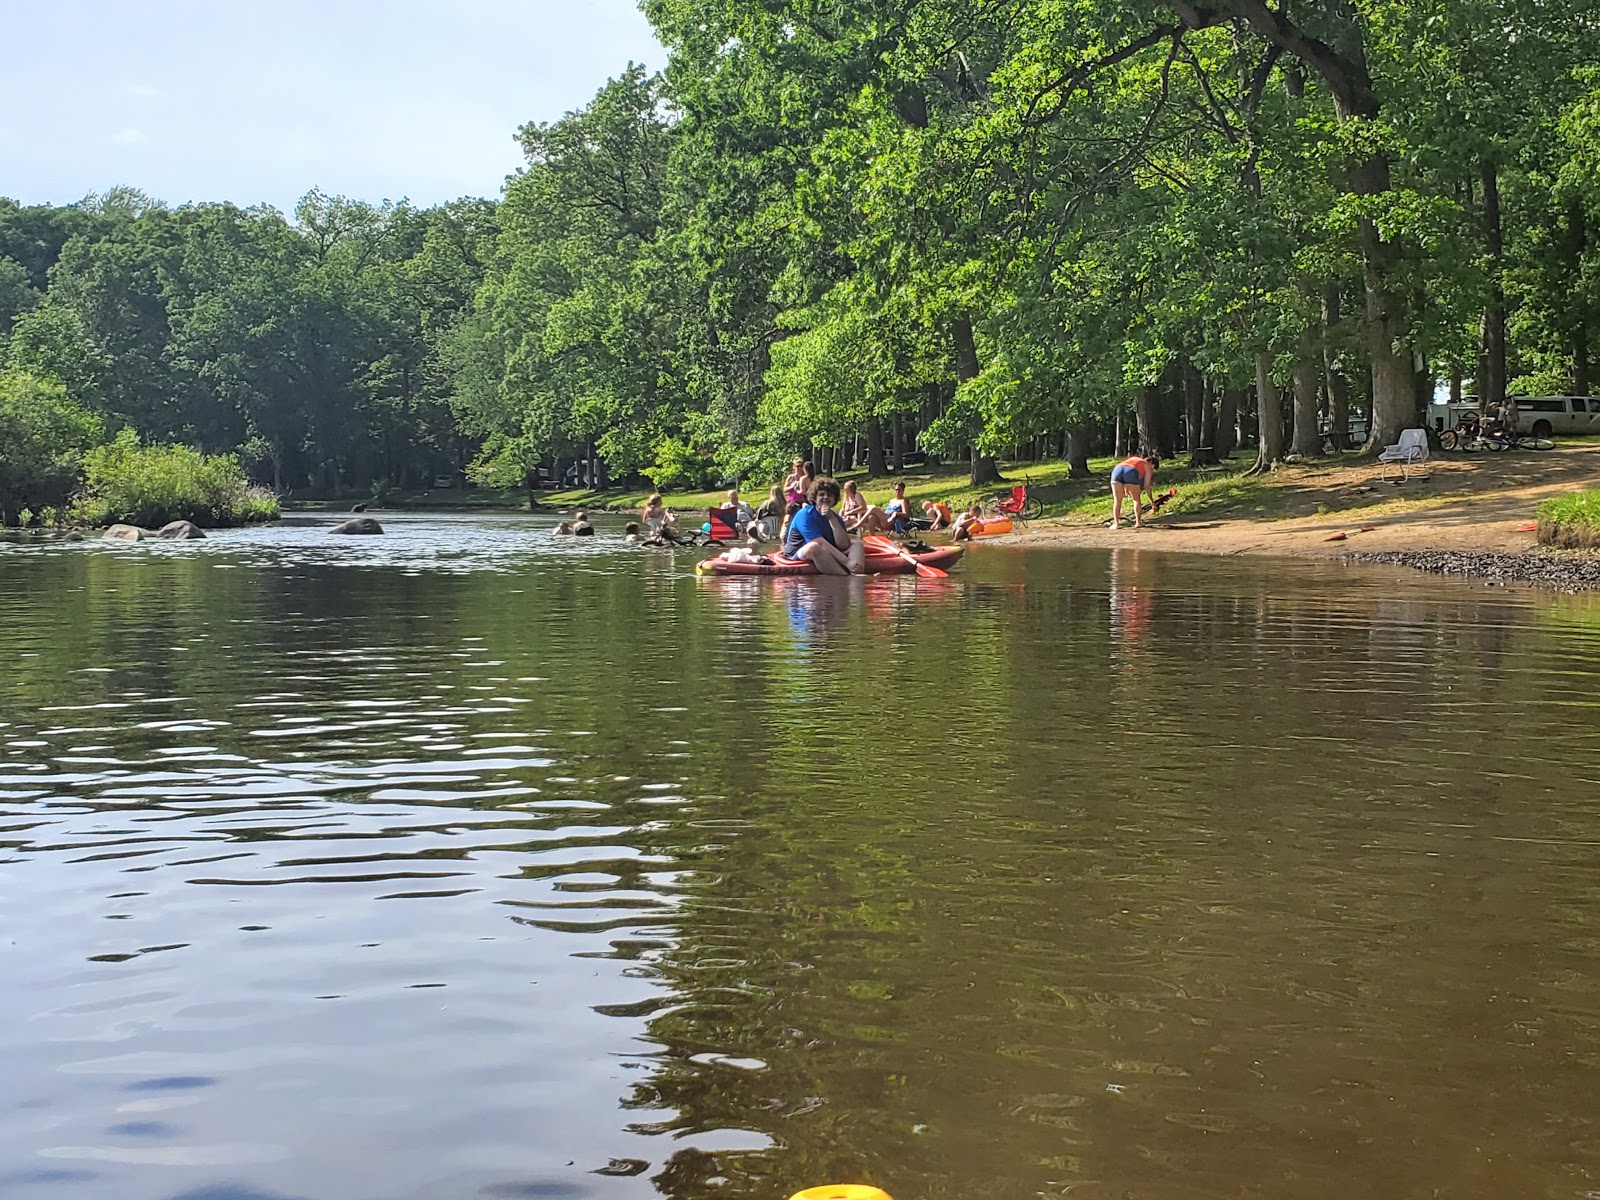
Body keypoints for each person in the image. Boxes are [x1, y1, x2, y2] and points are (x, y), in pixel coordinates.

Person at [782, 477, 864, 575]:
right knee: (814, 547)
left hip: (826, 550)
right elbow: (819, 542)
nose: (825, 497)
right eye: (821, 495)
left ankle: (857, 574)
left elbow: (844, 545)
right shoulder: (805, 515)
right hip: (797, 553)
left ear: (834, 499)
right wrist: (847, 562)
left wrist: (831, 518)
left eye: (829, 495)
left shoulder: (835, 517)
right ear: (815, 498)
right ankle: (845, 577)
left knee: (857, 544)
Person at [1110, 451, 1160, 530]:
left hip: (1117, 470)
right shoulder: (1148, 466)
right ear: (1153, 465)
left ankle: (1116, 523)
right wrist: (1152, 502)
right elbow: (1147, 485)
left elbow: (1125, 470)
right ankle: (1138, 522)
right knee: (1136, 499)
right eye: (1153, 469)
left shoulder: (1135, 459)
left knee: (1117, 500)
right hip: (1131, 471)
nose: (1152, 471)